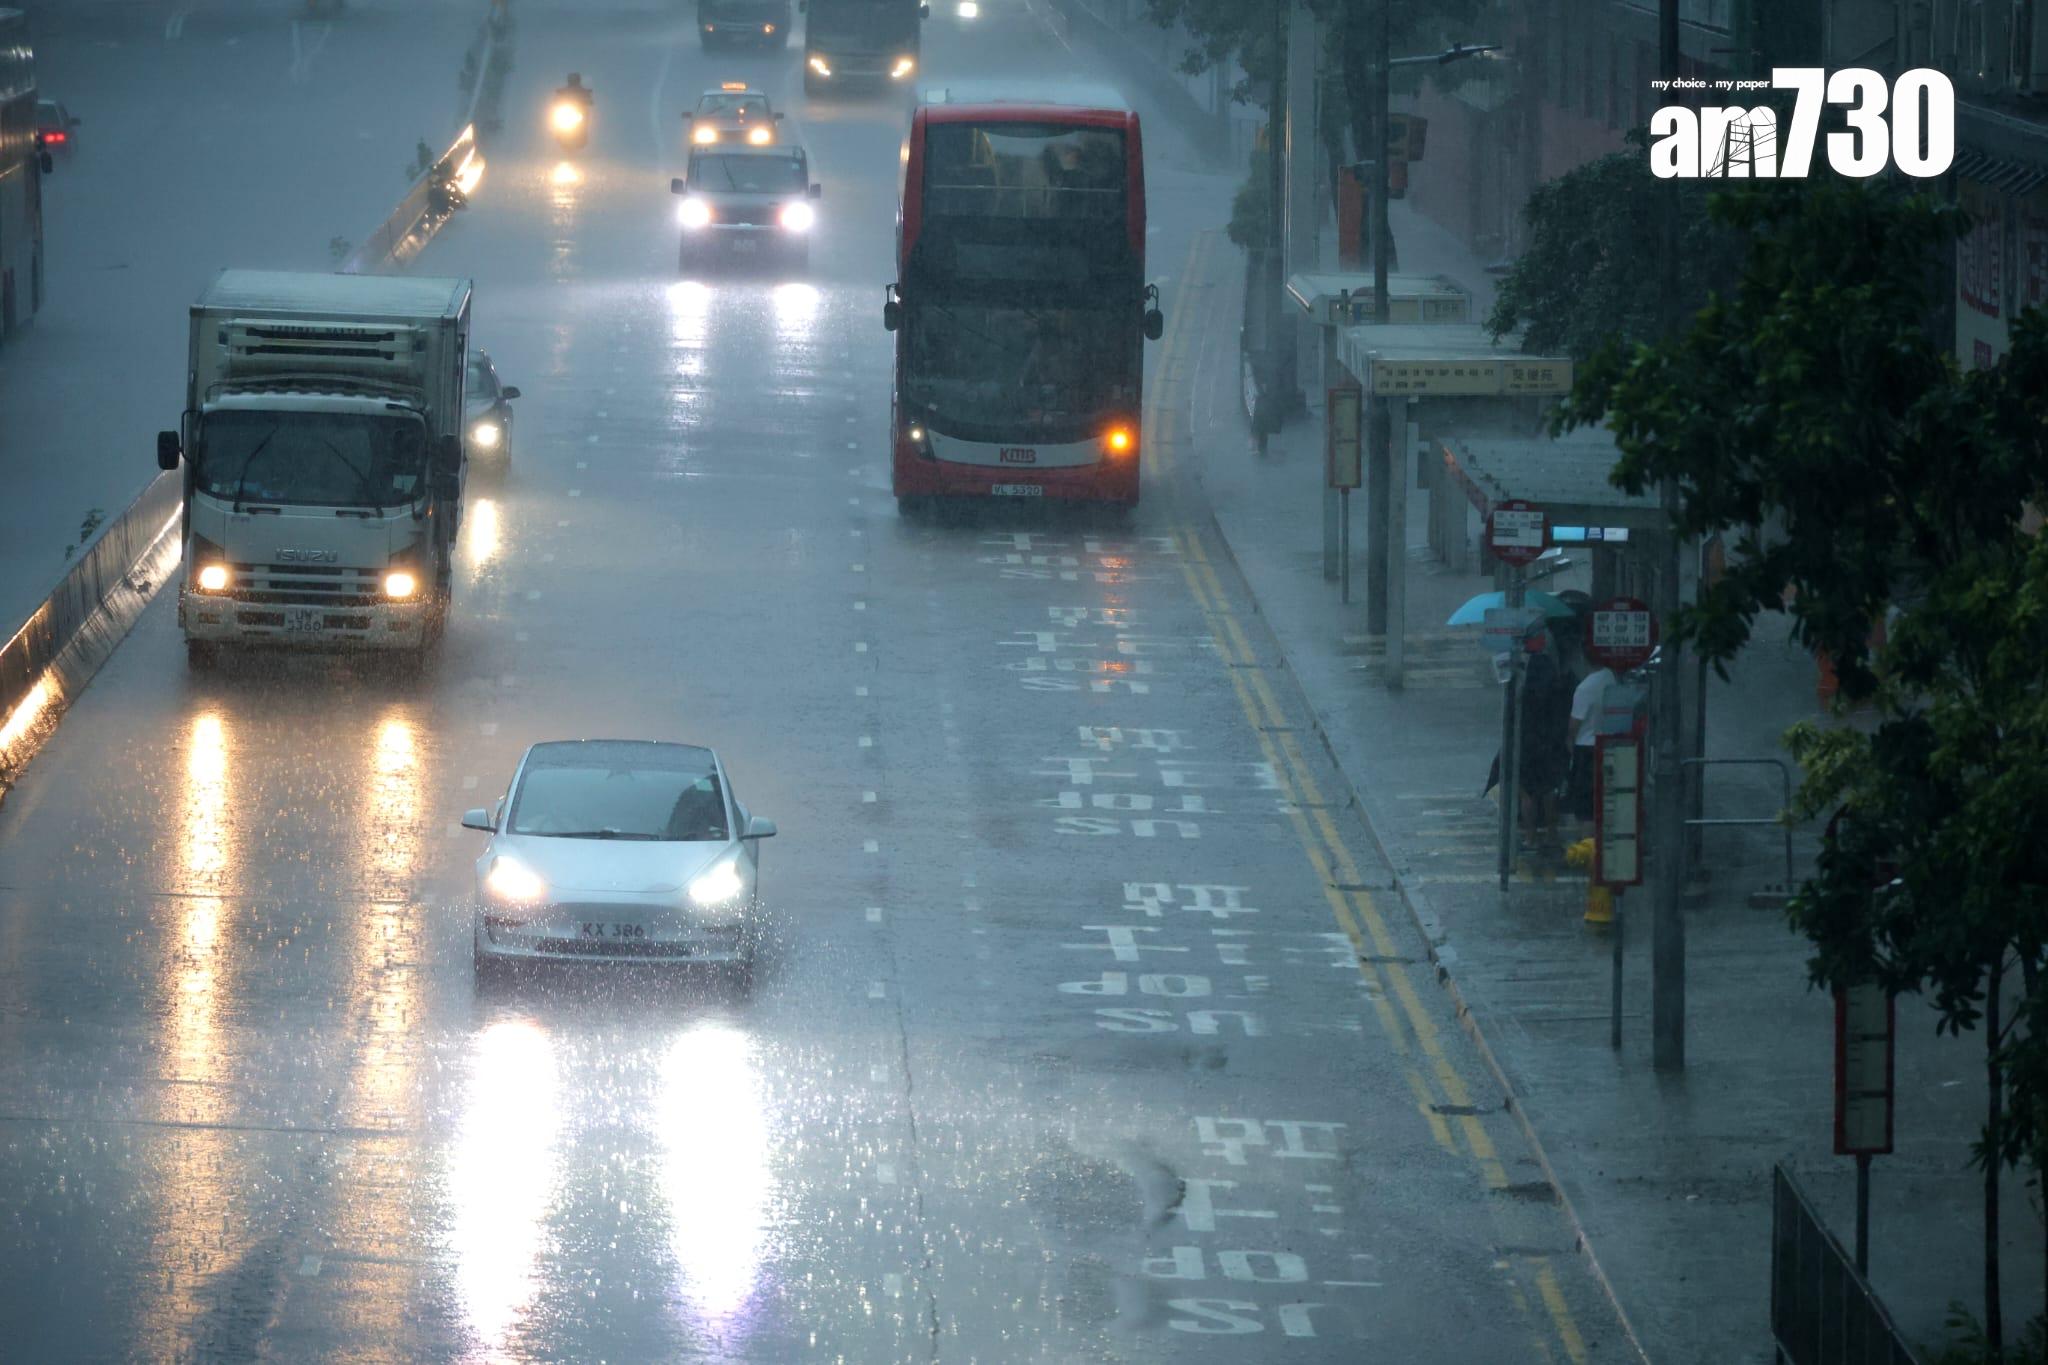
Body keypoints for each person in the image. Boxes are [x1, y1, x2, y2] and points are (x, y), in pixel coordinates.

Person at [1566, 644, 1616, 824]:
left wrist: (1569, 743)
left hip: (1586, 748)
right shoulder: (1611, 678)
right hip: (1608, 744)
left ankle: (1588, 845)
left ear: (1583, 659)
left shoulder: (1585, 688)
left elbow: (1574, 724)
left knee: (1585, 804)